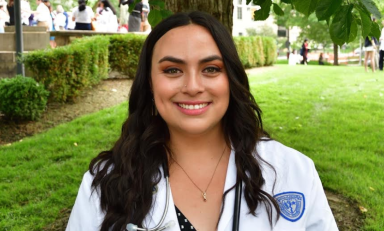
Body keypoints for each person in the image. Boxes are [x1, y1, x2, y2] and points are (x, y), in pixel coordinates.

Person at [66, 11, 338, 231]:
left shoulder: (293, 173)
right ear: (149, 83)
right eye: (172, 70)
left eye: (211, 69)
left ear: (230, 79)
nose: (193, 86)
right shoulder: (104, 182)